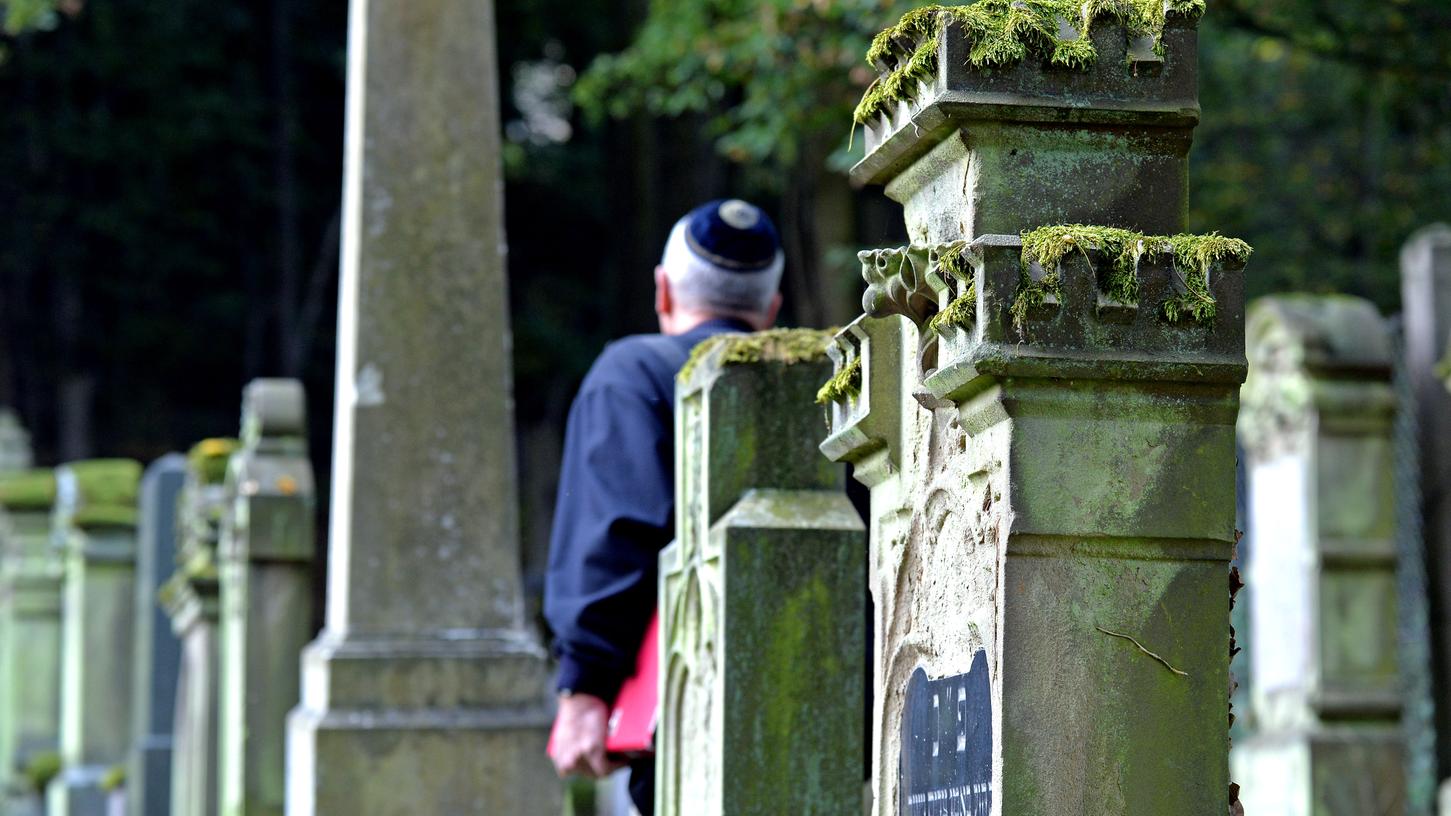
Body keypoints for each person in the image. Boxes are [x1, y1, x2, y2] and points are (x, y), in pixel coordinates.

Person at [544, 199, 784, 813]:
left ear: (662, 291)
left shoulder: (633, 373)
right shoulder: (824, 387)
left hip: (678, 705)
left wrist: (584, 687)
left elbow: (616, 529)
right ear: (772, 311)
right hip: (809, 696)